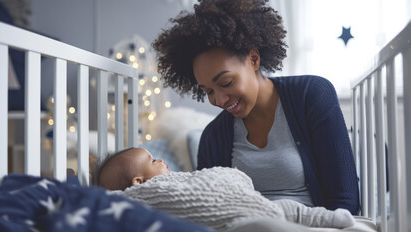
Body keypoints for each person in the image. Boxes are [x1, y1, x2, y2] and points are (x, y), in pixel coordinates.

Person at [151, 0, 359, 214]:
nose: (220, 101)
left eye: (226, 83)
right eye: (209, 91)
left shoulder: (312, 95)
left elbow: (345, 201)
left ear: (253, 59)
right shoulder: (212, 138)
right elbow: (210, 210)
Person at [97, 147, 355, 232]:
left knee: (284, 207)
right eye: (154, 161)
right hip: (231, 225)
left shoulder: (182, 179)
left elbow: (210, 179)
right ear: (138, 183)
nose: (162, 161)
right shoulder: (134, 198)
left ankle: (328, 218)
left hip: (248, 204)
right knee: (260, 225)